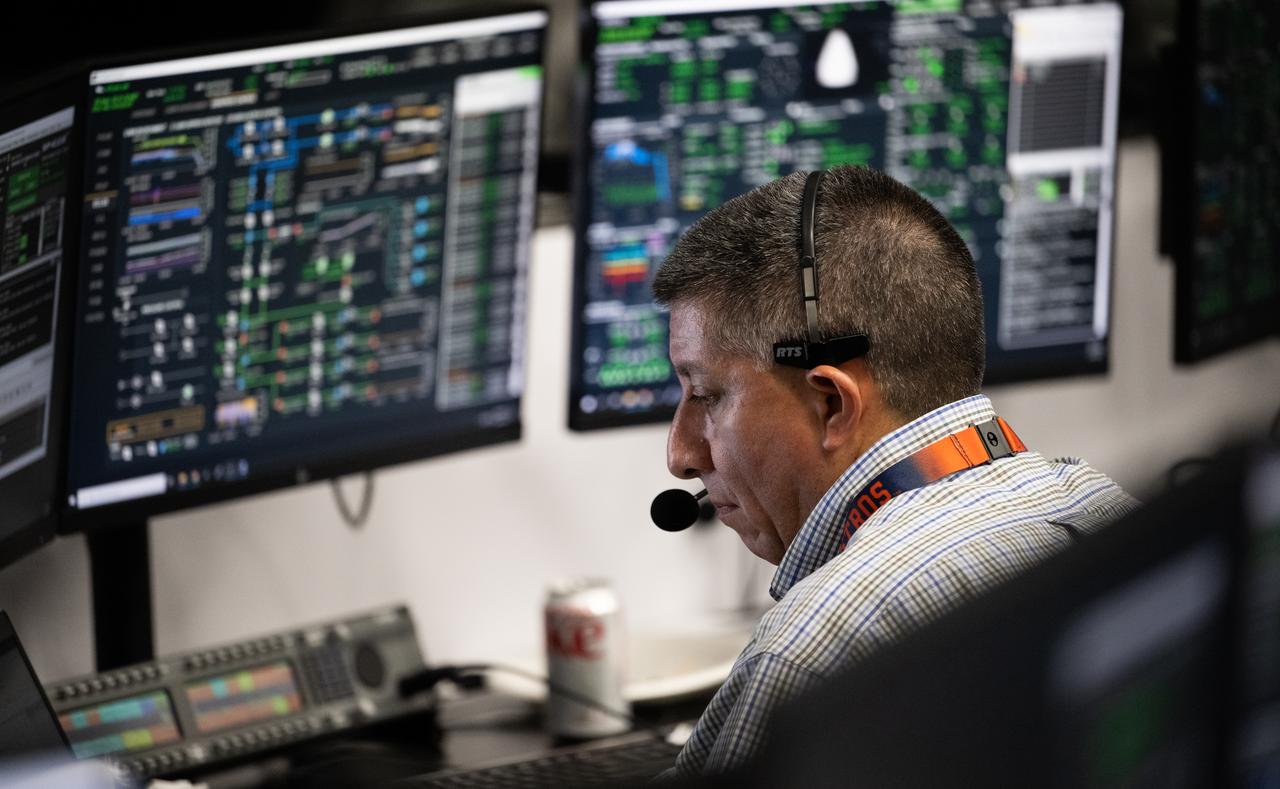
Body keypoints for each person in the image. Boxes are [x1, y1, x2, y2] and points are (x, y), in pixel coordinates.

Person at [651, 165, 1138, 777]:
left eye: (707, 394)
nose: (681, 452)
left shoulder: (812, 655)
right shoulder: (1105, 510)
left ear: (830, 403)